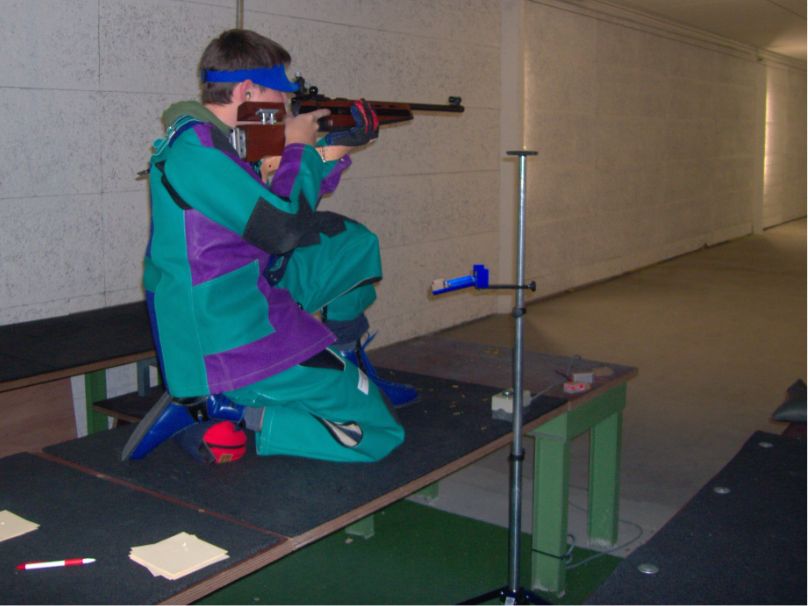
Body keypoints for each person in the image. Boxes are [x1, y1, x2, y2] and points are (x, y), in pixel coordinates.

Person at [124, 29, 414, 465]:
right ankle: (235, 413)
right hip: (230, 336)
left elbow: (278, 200)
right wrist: (299, 147)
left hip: (247, 298)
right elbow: (282, 229)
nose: (286, 105)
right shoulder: (196, 152)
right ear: (247, 90)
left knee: (349, 245)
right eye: (281, 94)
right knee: (379, 431)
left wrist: (330, 150)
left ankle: (336, 358)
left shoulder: (222, 140)